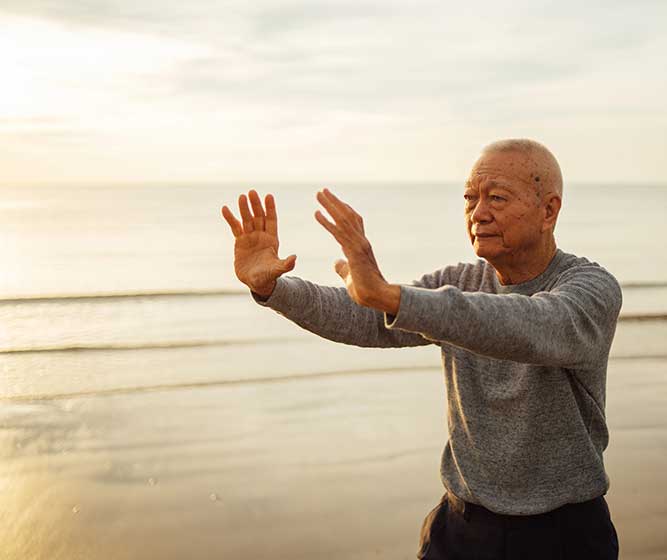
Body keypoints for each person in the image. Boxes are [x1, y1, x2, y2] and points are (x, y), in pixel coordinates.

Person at [221, 138, 622, 559]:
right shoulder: (460, 282)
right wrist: (273, 289)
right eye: (470, 198)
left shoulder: (591, 288)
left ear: (548, 211)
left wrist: (393, 297)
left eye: (497, 198)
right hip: (461, 527)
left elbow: (531, 326)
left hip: (564, 536)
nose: (478, 213)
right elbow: (368, 316)